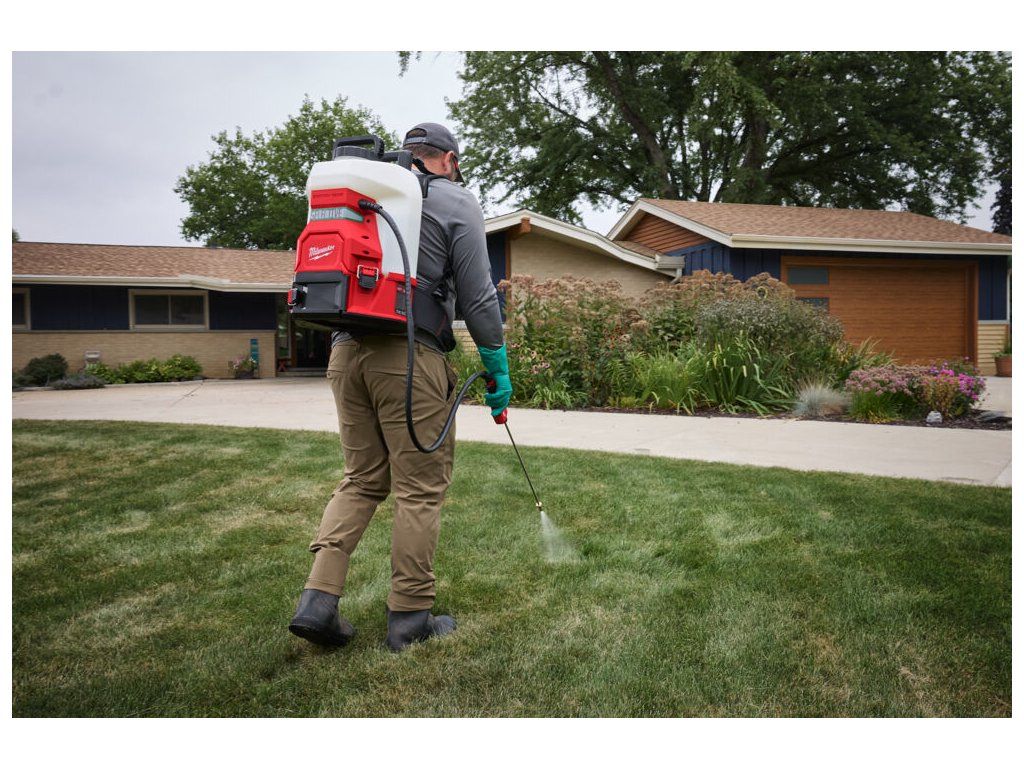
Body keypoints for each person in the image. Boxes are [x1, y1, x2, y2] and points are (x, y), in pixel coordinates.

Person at [288, 123, 512, 652]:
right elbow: (478, 294)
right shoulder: (455, 200)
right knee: (419, 488)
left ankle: (318, 601)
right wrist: (496, 360)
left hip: (345, 352)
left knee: (361, 479)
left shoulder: (363, 189)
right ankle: (410, 617)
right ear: (449, 160)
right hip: (408, 356)